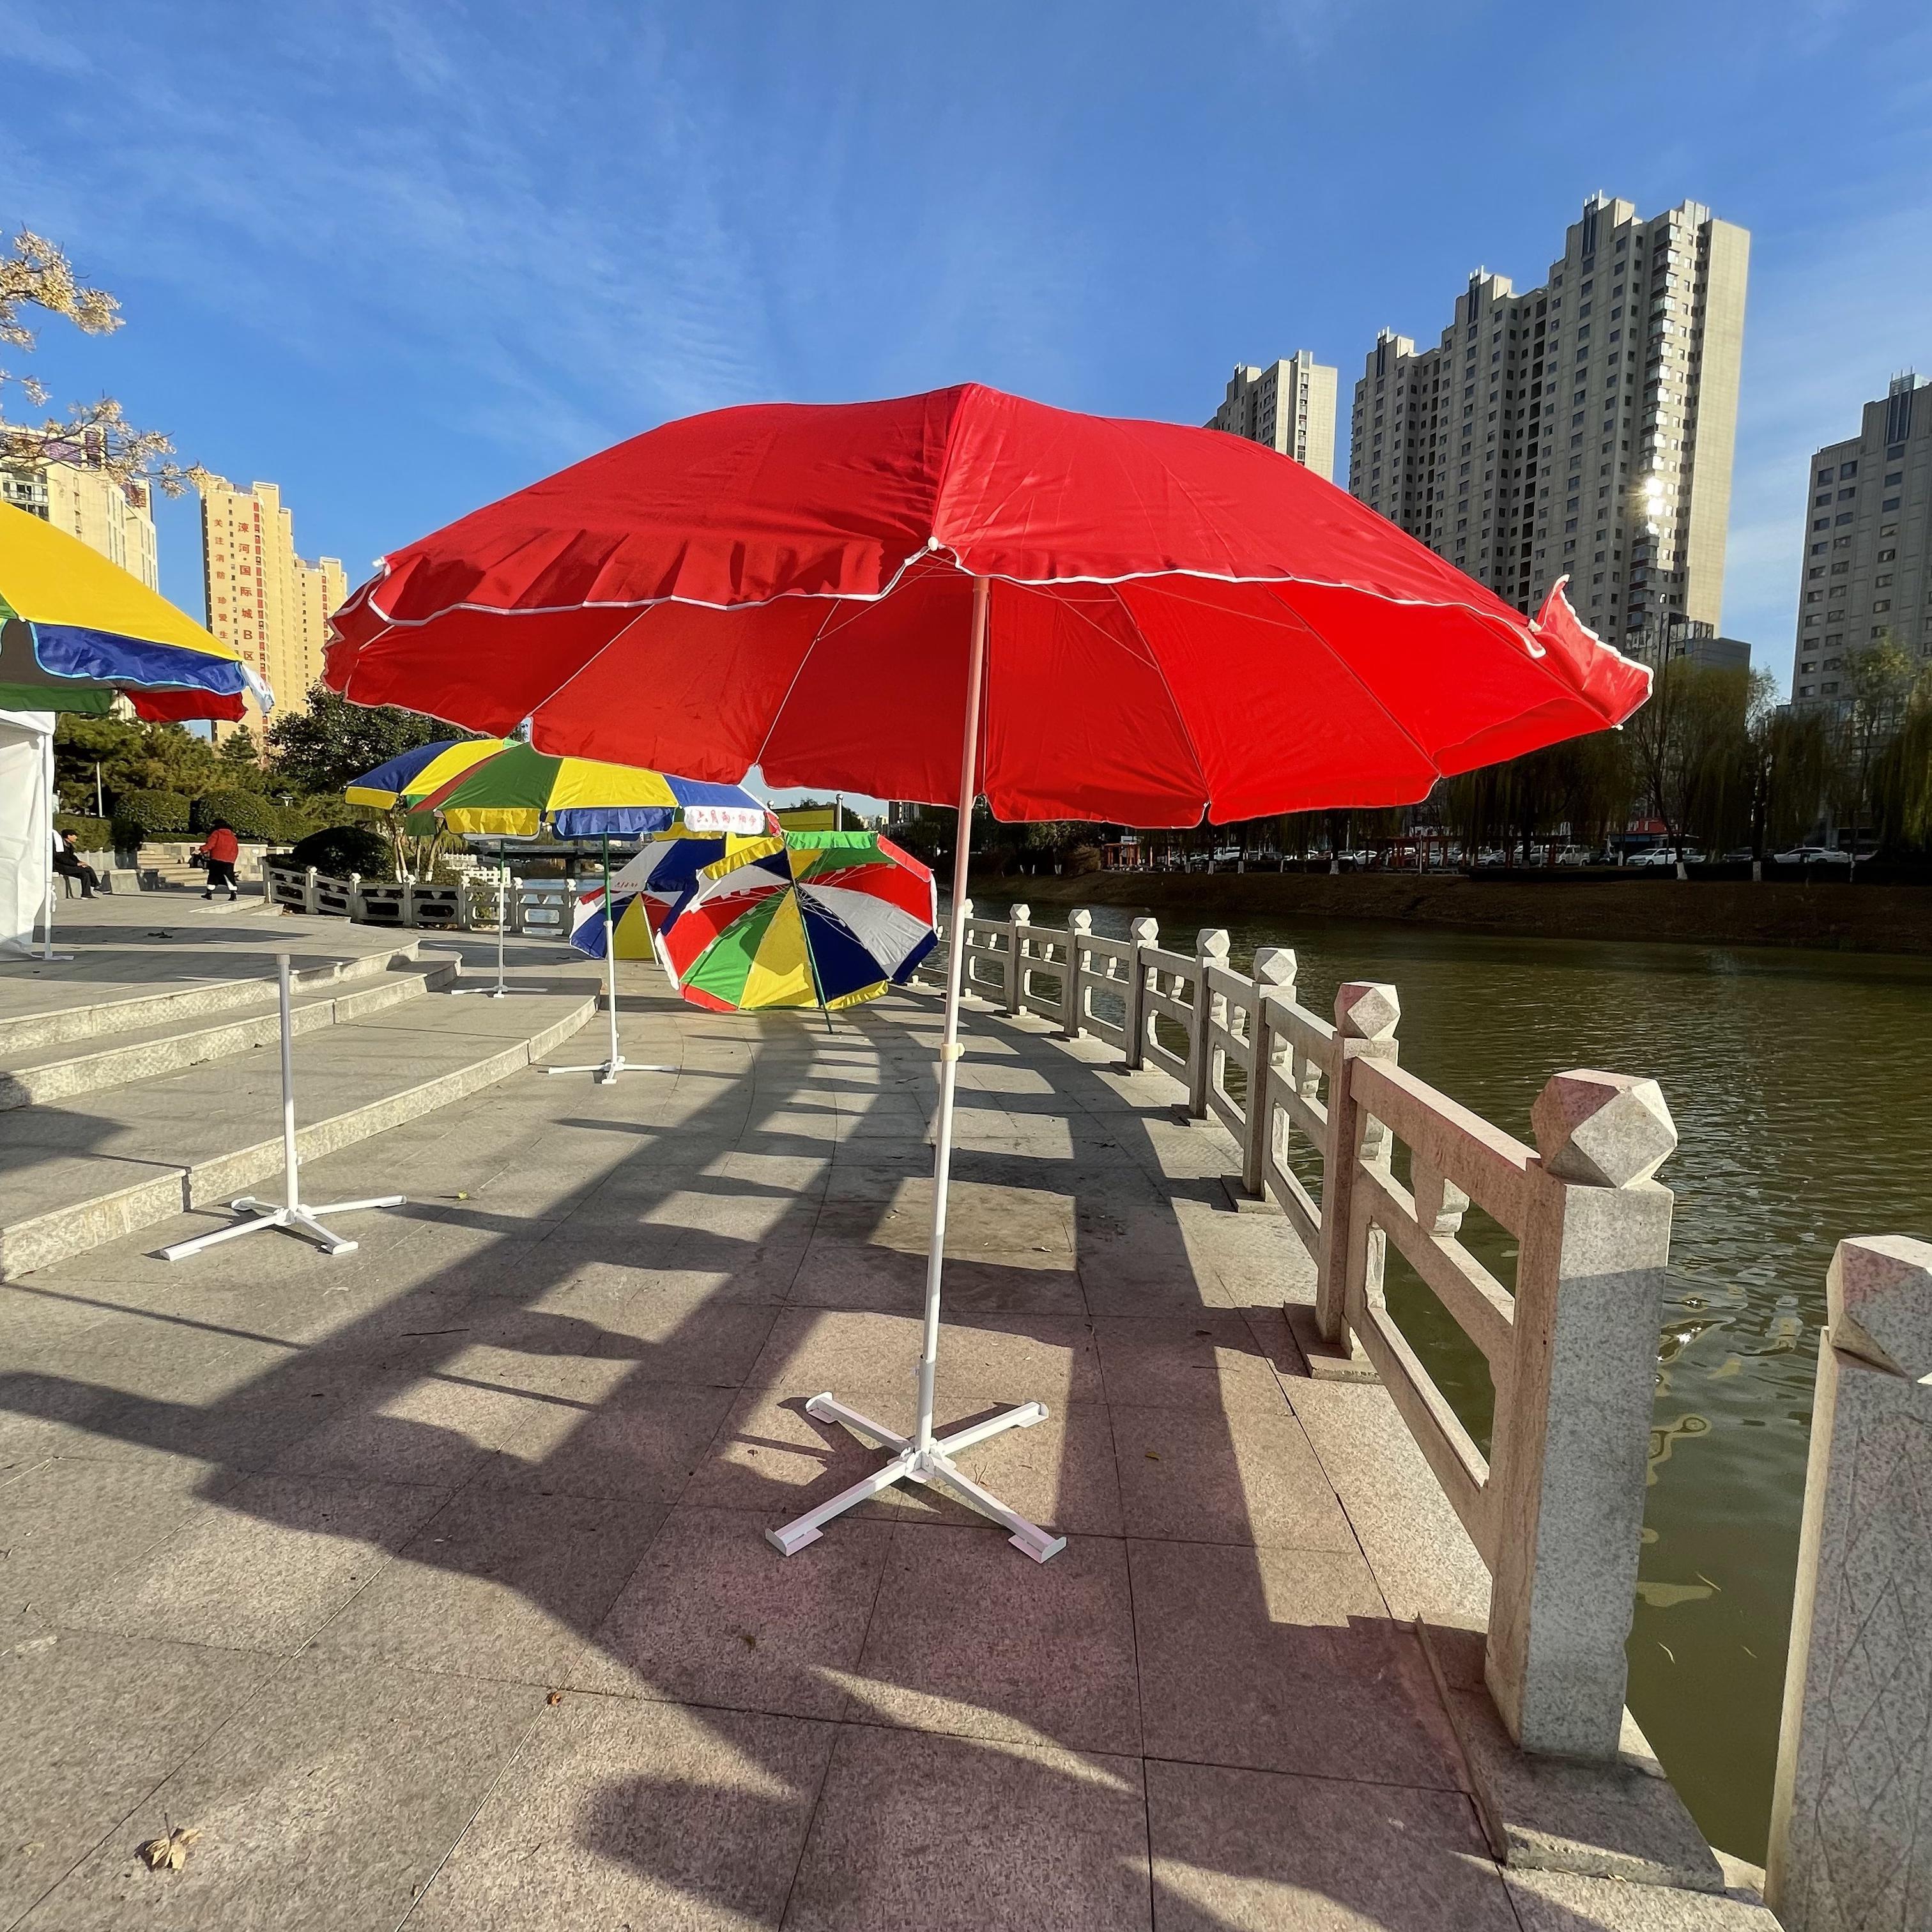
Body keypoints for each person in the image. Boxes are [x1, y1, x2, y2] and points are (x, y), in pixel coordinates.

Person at [197, 820, 241, 902]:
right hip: (229, 860)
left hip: (217, 858)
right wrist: (233, 859)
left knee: (213, 876)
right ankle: (233, 894)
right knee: (229, 877)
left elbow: (211, 845)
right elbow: (236, 850)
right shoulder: (233, 837)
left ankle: (209, 893)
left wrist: (201, 850)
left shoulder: (216, 833)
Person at [52, 829, 100, 898]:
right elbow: (60, 858)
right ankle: (97, 886)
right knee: (88, 869)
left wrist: (79, 862)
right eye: (74, 835)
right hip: (60, 867)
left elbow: (72, 856)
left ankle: (86, 894)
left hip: (68, 866)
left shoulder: (69, 845)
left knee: (84, 874)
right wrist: (76, 864)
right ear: (69, 836)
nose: (76, 838)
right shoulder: (59, 845)